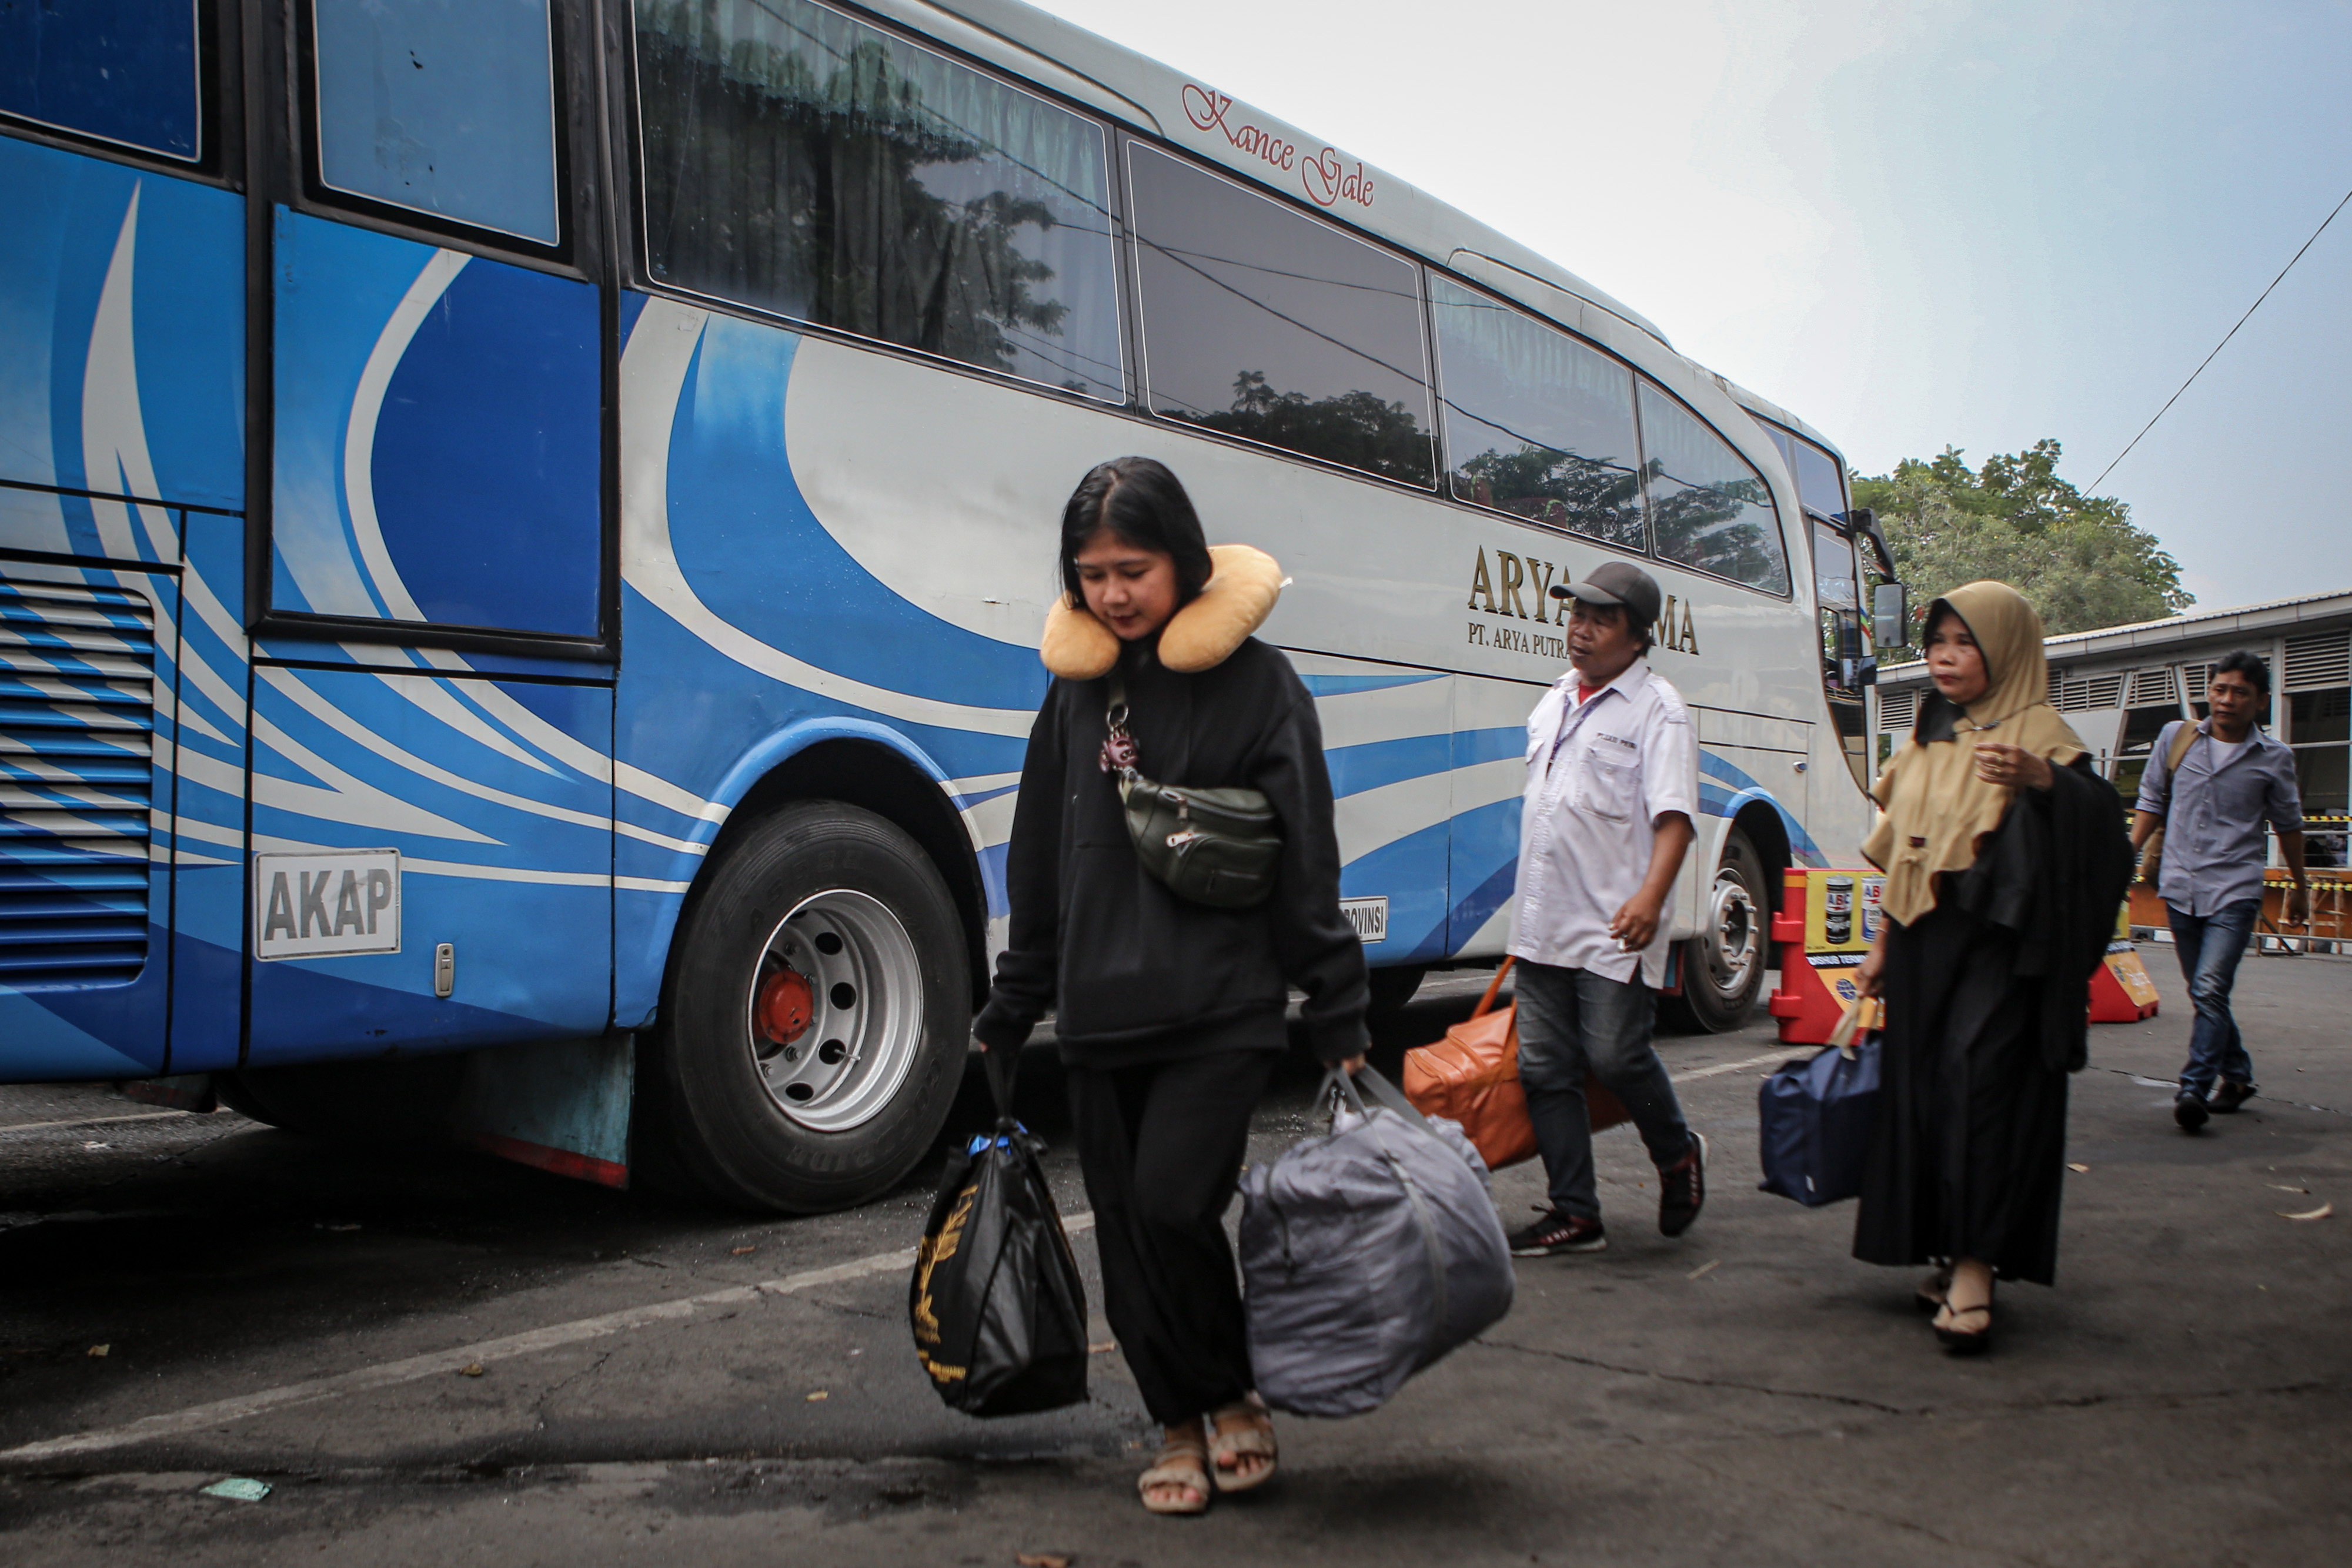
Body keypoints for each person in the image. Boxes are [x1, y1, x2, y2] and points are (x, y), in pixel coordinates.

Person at [971, 457, 1368, 1515]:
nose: (1112, 593)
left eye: (1132, 569)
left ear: (1184, 561)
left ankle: (1231, 1387)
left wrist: (1335, 1004)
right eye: (1091, 573)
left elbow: (1304, 851)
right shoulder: (1075, 691)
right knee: (1128, 1227)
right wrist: (1014, 1003)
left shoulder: (1259, 682)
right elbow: (1042, 859)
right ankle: (1179, 1419)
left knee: (1172, 1202)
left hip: (1222, 1004)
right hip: (1099, 1011)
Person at [1853, 582, 2132, 1353]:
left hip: (2005, 949)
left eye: (1964, 641)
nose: (1944, 655)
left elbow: (2105, 835)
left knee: (1980, 1086)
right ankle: (1948, 1251)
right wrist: (1878, 946)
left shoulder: (2042, 733)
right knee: (1928, 1097)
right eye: (1936, 640)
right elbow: (1899, 847)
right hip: (1921, 947)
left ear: (2005, 648)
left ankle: (1978, 1265)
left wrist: (2044, 781)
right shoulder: (1927, 733)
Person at [1503, 560, 1708, 1258]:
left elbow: (1675, 819)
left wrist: (1651, 900)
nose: (1579, 631)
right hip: (1541, 923)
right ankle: (1574, 1212)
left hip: (1612, 924)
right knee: (1543, 1069)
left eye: (1598, 619)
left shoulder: (1659, 711)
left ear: (1636, 636)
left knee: (1616, 1058)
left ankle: (1676, 1153)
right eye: (1575, 616)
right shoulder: (1555, 698)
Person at [2128, 650, 2308, 1130]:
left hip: (2236, 888)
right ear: (2209, 692)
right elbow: (2152, 799)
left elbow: (2289, 826)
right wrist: (2127, 854)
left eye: (2240, 693)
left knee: (2209, 987)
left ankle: (2193, 1087)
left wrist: (2299, 886)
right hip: (2181, 884)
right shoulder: (2177, 737)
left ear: (2261, 701)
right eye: (2220, 689)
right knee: (2204, 991)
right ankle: (2239, 1073)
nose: (2227, 700)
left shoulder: (2274, 758)